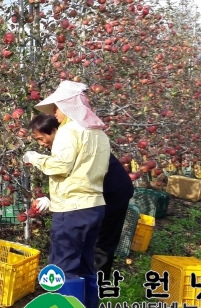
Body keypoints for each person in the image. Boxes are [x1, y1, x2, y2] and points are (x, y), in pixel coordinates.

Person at [22, 81, 111, 308]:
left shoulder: (70, 131)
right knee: (85, 262)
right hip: (94, 205)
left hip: (72, 208)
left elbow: (60, 166)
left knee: (65, 265)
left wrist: (34, 157)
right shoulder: (99, 133)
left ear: (68, 106)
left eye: (58, 109)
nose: (56, 115)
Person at [28, 114, 134, 278]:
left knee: (103, 242)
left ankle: (96, 281)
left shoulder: (70, 138)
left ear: (55, 131)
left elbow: (71, 171)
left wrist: (36, 159)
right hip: (95, 194)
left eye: (42, 139)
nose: (42, 144)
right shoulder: (73, 139)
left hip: (112, 192)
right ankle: (87, 285)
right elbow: (74, 175)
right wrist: (51, 197)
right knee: (88, 245)